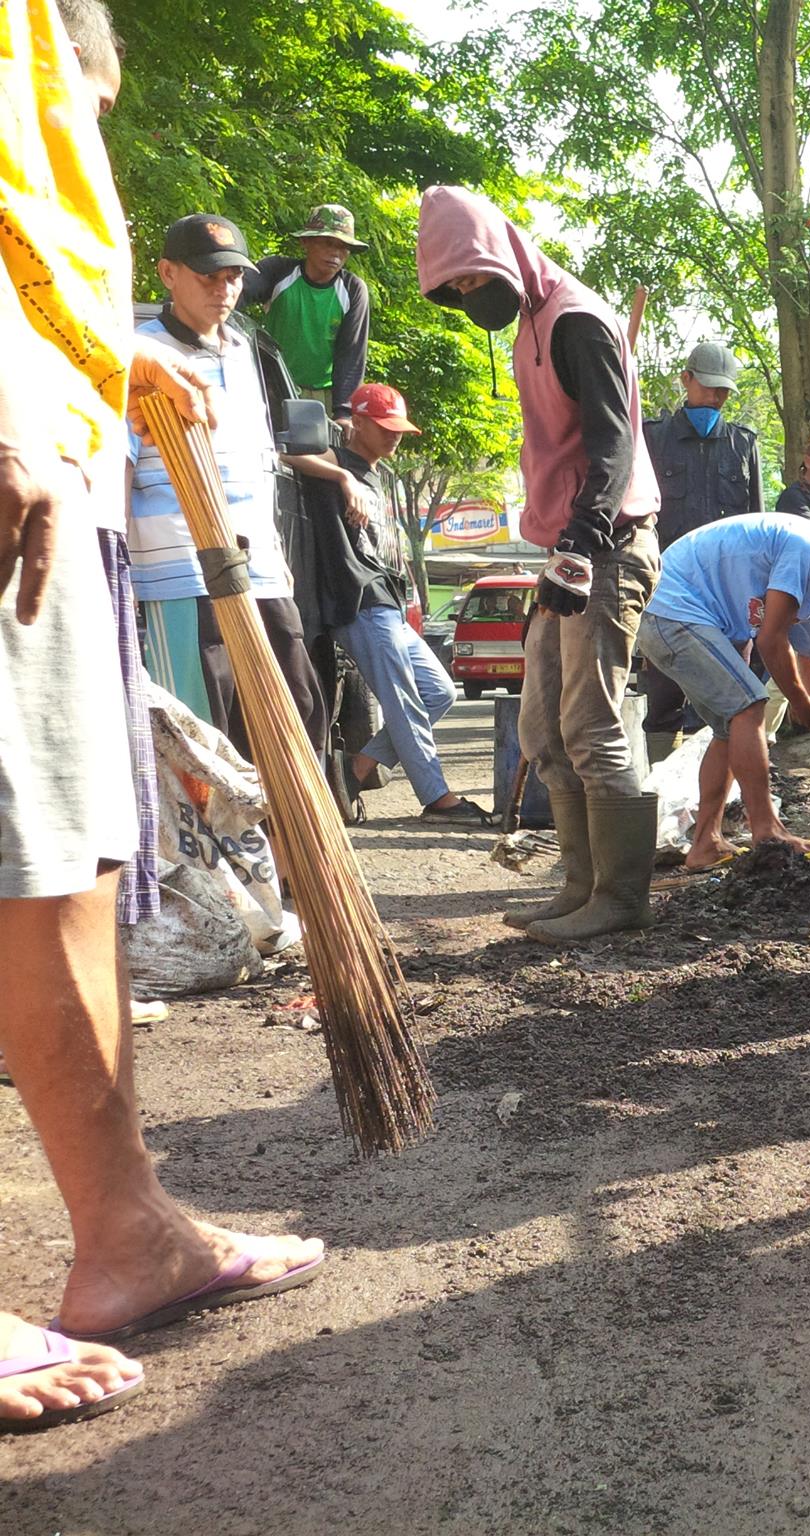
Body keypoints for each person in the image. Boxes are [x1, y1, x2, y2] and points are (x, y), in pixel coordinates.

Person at [2, 0, 321, 1431]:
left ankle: (126, 1235)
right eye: (83, 98)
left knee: (63, 863)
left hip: (54, 477)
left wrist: (83, 364)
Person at [418, 184, 662, 943]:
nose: (466, 293)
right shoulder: (529, 318)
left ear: (500, 256)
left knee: (593, 726)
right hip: (565, 548)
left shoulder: (575, 320)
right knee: (543, 730)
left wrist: (583, 538)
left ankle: (621, 900)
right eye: (451, 287)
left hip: (606, 545)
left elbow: (614, 442)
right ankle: (580, 884)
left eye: (469, 277)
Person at [127, 210, 326, 756]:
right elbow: (117, 468)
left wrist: (276, 550)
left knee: (293, 710)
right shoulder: (139, 355)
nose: (223, 289)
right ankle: (206, 843)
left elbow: (258, 460)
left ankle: (275, 838)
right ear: (167, 274)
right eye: (207, 276)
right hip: (177, 567)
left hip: (257, 562)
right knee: (199, 725)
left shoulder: (242, 351)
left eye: (232, 277)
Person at [285, 382, 487, 823]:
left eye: (399, 429)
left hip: (388, 604)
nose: (394, 436)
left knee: (439, 692)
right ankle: (437, 799)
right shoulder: (338, 460)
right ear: (357, 423)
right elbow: (282, 456)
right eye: (384, 427)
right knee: (403, 701)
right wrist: (341, 477)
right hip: (358, 601)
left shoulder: (377, 471)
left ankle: (354, 770)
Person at [640, 509, 810, 872]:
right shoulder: (807, 545)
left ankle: (704, 844)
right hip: (673, 611)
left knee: (731, 727)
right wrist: (800, 700)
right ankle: (768, 831)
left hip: (679, 619)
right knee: (749, 706)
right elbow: (772, 640)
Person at [641, 338, 764, 762]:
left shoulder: (743, 444)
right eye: (710, 386)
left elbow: (755, 530)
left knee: (723, 699)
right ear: (686, 380)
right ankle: (661, 786)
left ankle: (710, 797)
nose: (717, 396)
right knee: (662, 699)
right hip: (668, 593)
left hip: (725, 596)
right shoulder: (652, 440)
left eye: (724, 390)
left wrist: (752, 615)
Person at [237, 202, 371, 413]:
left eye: (343, 247)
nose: (336, 253)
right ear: (306, 241)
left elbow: (351, 355)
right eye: (328, 243)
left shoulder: (352, 290)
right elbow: (233, 295)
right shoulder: (277, 272)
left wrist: (344, 412)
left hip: (319, 397)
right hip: (270, 385)